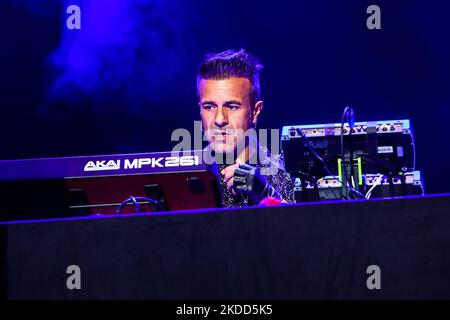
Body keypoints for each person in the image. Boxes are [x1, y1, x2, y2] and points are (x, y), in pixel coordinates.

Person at [197, 49, 295, 207]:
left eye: (232, 107)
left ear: (255, 111)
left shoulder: (281, 172)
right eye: (209, 107)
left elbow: (303, 227)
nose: (220, 119)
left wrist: (264, 193)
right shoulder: (187, 175)